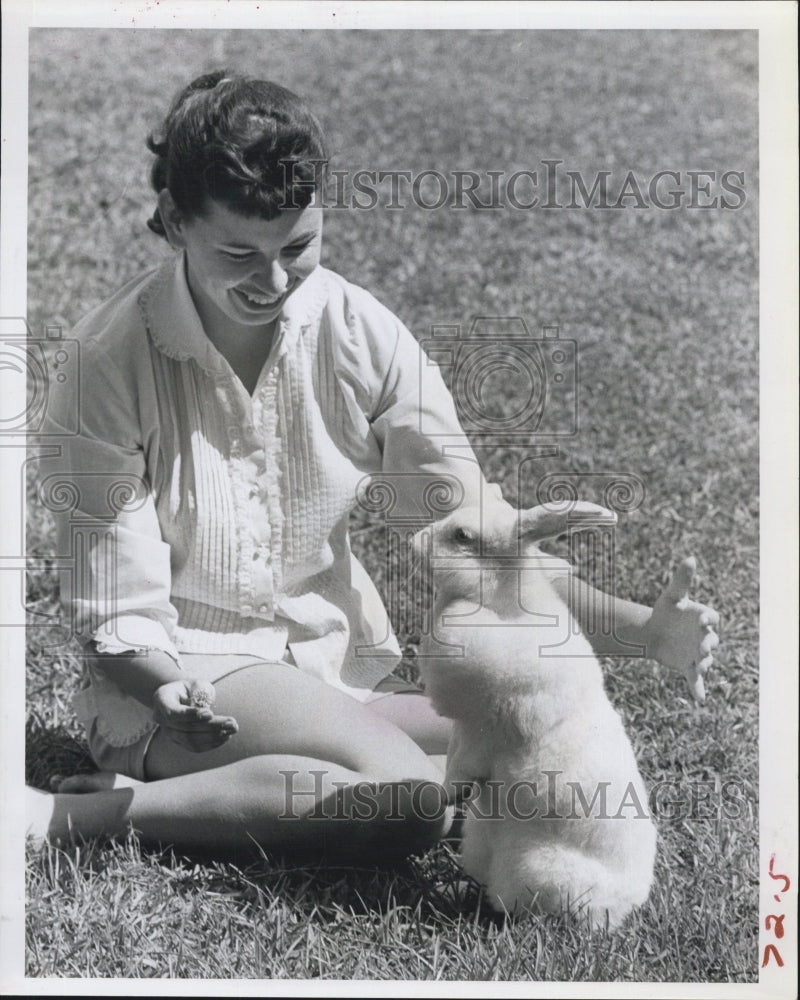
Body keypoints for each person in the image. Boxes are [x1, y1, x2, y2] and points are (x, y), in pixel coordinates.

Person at [27, 70, 719, 860]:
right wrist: (161, 686)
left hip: (328, 665)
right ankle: (85, 816)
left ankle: (206, 795)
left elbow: (479, 536)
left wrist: (647, 631)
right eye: (238, 254)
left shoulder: (357, 331)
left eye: (299, 247)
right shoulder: (104, 361)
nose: (275, 281)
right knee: (410, 801)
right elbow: (114, 602)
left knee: (538, 747)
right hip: (179, 674)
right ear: (176, 222)